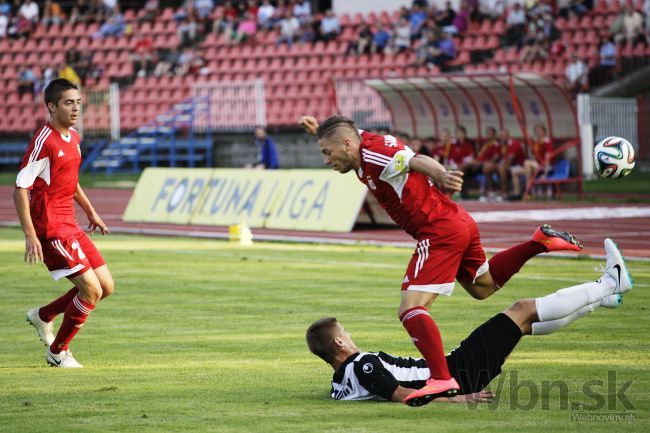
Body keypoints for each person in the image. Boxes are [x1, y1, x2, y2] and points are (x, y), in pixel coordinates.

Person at [298, 115, 583, 406]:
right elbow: (344, 133)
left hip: (437, 230)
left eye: (326, 152)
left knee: (411, 308)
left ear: (347, 144)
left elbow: (412, 159)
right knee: (483, 287)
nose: (326, 160)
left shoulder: (374, 153)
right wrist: (318, 130)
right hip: (455, 221)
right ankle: (538, 243)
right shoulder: (358, 142)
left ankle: (441, 378)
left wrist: (441, 173)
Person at [307, 240, 632, 405]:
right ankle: (611, 283)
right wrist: (458, 396)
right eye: (345, 333)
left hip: (454, 371)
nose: (350, 336)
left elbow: (381, 392)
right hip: (457, 374)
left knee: (523, 325)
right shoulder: (361, 365)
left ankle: (601, 300)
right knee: (520, 309)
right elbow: (401, 394)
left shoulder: (341, 382)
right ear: (338, 343)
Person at [14, 78, 114, 368]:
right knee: (91, 290)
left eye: (78, 102)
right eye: (69, 103)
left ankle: (43, 315)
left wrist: (91, 212)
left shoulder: (75, 138)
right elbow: (20, 187)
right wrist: (30, 235)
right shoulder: (44, 141)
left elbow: (71, 181)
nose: (75, 108)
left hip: (70, 224)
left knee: (105, 287)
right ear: (52, 106)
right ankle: (58, 352)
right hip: (51, 227)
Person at [510, 123, 553, 199]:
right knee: (515, 171)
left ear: (544, 131)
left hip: (543, 166)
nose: (538, 132)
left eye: (540, 130)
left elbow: (548, 157)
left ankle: (527, 193)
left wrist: (546, 172)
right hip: (533, 166)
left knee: (527, 163)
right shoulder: (535, 142)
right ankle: (518, 192)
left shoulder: (547, 141)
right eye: (536, 131)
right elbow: (532, 156)